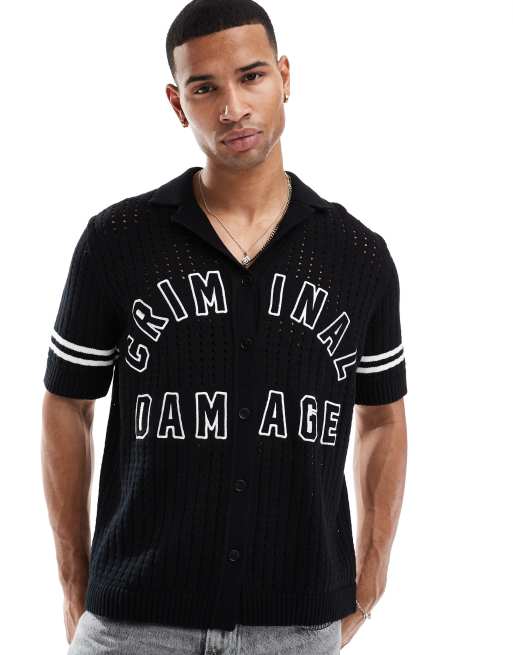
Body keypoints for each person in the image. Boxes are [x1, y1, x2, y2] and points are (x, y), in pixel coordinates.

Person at [41, 1, 408, 653]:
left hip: (295, 624)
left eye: (251, 76)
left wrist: (372, 573)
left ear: (284, 76)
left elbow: (381, 417)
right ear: (177, 103)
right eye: (205, 88)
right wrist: (74, 583)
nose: (233, 107)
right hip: (133, 621)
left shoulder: (358, 256)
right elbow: (67, 404)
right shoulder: (117, 241)